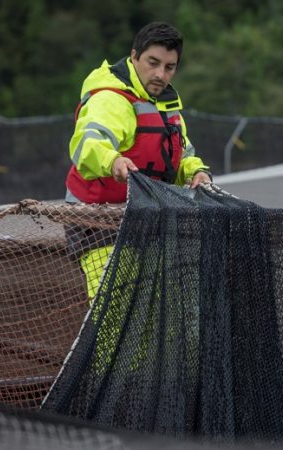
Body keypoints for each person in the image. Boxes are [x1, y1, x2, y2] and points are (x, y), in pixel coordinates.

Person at [64, 21, 211, 301]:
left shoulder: (167, 105)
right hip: (99, 223)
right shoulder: (110, 99)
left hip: (147, 220)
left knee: (156, 319)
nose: (160, 74)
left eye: (169, 67)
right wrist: (113, 161)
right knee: (114, 321)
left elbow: (184, 156)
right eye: (152, 63)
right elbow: (87, 146)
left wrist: (198, 172)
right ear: (134, 57)